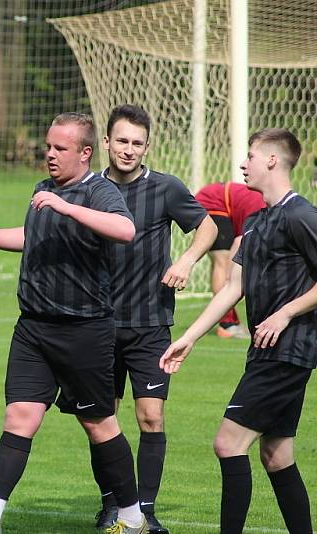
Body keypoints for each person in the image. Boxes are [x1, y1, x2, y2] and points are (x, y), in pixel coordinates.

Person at [0, 113, 149, 534]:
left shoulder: (99, 190)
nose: (50, 155)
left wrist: (68, 206)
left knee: (99, 423)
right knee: (19, 416)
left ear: (85, 153)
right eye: (48, 147)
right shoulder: (43, 191)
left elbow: (125, 230)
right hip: (34, 329)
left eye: (60, 149)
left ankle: (132, 519)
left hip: (84, 330)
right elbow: (32, 236)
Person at [160, 128, 315, 534]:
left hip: (288, 351)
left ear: (271, 161)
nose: (242, 164)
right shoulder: (256, 219)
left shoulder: (302, 215)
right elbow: (233, 286)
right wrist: (189, 336)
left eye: (249, 156)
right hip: (265, 353)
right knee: (277, 456)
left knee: (228, 445)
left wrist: (285, 314)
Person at [91, 105, 218, 533]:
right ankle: (112, 505)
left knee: (151, 418)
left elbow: (208, 228)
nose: (129, 150)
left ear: (147, 147)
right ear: (106, 143)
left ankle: (143, 510)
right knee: (102, 421)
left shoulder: (165, 188)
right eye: (122, 141)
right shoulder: (88, 189)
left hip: (150, 325)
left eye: (137, 143)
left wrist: (185, 259)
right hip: (96, 325)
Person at [194, 181, 265, 339]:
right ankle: (227, 324)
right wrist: (230, 276)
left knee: (223, 264)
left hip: (219, 202)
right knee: (223, 263)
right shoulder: (263, 210)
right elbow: (240, 242)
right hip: (212, 203)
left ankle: (229, 321)